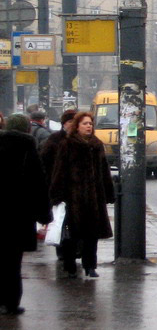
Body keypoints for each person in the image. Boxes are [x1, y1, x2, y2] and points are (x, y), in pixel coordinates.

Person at [49, 111, 115, 279]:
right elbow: (59, 171)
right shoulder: (67, 144)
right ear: (77, 126)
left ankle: (90, 266)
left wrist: (108, 193)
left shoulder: (97, 144)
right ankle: (70, 265)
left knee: (92, 235)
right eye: (85, 123)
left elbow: (104, 171)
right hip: (73, 197)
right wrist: (56, 195)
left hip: (94, 197)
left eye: (90, 124)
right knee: (72, 234)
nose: (88, 126)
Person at [0, 114, 52, 314]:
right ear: (26, 129)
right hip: (18, 215)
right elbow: (38, 184)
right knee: (13, 262)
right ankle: (11, 303)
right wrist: (45, 215)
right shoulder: (27, 148)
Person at [40, 109, 78, 260]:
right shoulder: (54, 140)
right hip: (60, 188)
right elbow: (44, 162)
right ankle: (63, 251)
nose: (72, 125)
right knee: (62, 220)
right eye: (70, 122)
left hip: (80, 190)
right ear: (64, 124)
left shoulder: (87, 140)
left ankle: (77, 250)